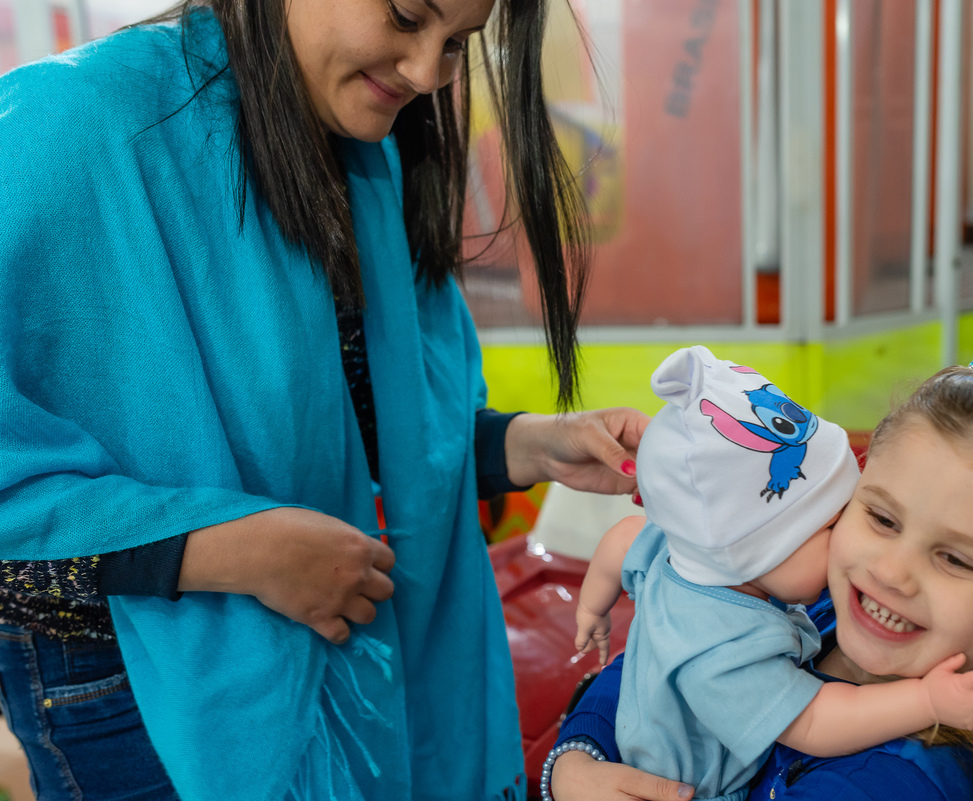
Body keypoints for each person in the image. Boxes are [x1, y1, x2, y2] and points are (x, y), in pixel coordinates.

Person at [0, 1, 648, 799]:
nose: (425, 73)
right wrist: (241, 550)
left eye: (457, 44)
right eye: (408, 16)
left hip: (320, 650)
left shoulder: (353, 140)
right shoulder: (62, 126)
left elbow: (359, 419)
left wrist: (527, 446)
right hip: (133, 687)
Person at [548, 316, 973, 801]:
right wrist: (576, 763)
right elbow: (663, 658)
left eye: (956, 559)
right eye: (880, 518)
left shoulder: (890, 781)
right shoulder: (820, 607)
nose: (890, 572)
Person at [571, 346, 973, 801]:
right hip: (690, 787)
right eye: (832, 523)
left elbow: (621, 541)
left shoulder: (683, 552)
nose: (884, 569)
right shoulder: (725, 653)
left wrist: (593, 608)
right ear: (754, 553)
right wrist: (927, 702)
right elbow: (816, 721)